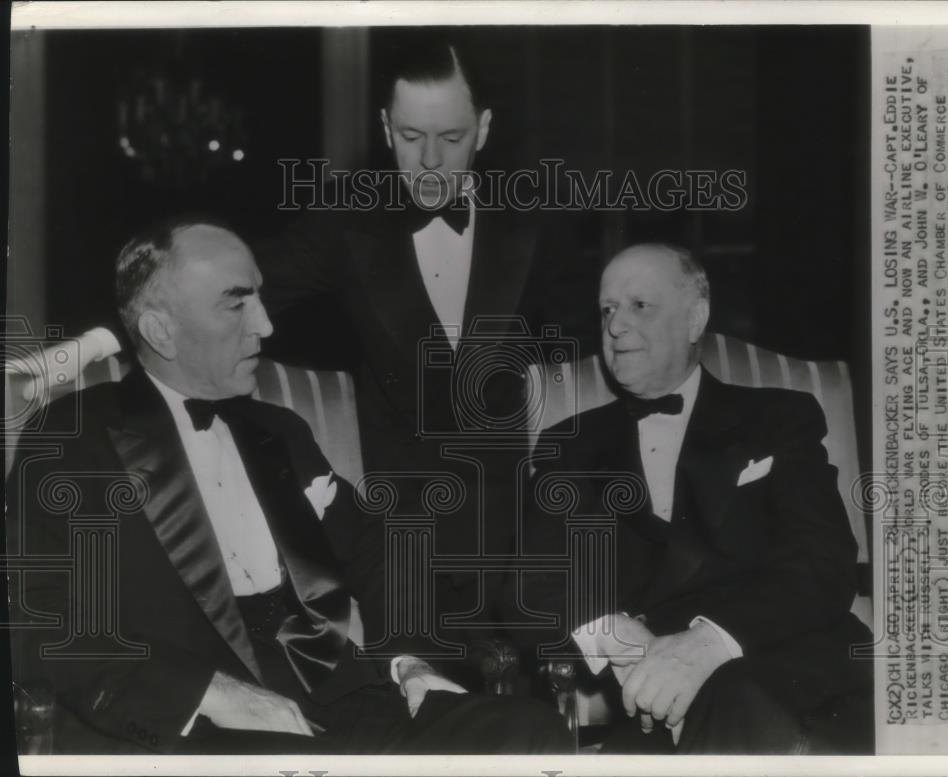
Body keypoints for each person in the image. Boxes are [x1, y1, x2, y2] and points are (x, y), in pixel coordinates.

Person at [13, 33, 599, 662]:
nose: (429, 160)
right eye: (409, 136)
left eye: (451, 138)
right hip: (396, 537)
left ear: (483, 129)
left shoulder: (535, 223)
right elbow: (189, 291)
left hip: (512, 535)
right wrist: (76, 352)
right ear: (383, 126)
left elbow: (606, 327)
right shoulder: (347, 225)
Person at [5, 219, 573, 754]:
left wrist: (411, 660)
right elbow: (44, 625)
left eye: (261, 296)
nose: (267, 325)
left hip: (345, 705)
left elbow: (382, 562)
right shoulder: (74, 439)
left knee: (528, 731)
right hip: (201, 731)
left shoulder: (279, 431)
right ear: (160, 330)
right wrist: (215, 693)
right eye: (237, 303)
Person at [511, 243, 873, 753]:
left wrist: (709, 644)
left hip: (794, 665)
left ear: (695, 317)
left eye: (640, 305)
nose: (615, 326)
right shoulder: (567, 445)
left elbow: (823, 561)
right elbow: (532, 587)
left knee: (742, 700)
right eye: (608, 309)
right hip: (654, 701)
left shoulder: (779, 417)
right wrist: (621, 643)